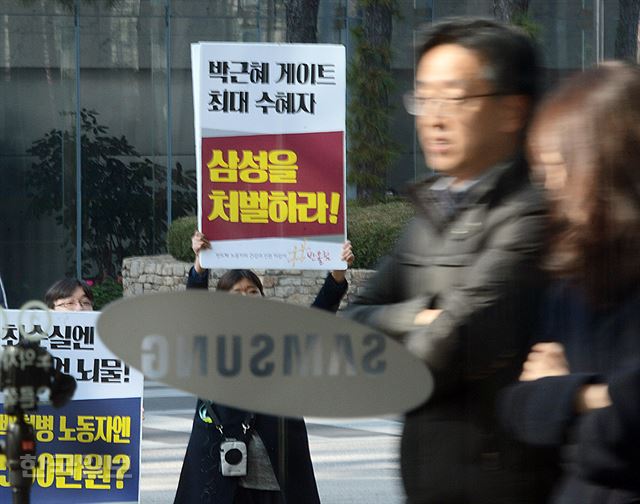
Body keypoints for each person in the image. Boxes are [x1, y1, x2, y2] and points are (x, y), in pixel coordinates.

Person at [344, 18, 556, 504]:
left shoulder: (530, 215)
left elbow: (443, 353)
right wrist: (418, 315)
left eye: (454, 98)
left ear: (511, 111)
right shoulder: (428, 216)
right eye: (424, 97)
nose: (432, 117)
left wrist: (396, 332)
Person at [499, 62, 640, 503]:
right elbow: (519, 408)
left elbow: (623, 438)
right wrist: (595, 395)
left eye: (560, 166)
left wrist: (566, 394)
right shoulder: (571, 284)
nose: (551, 185)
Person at [174, 230, 354, 504]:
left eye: (252, 292)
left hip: (275, 471)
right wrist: (200, 265)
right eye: (236, 294)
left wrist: (337, 274)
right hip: (222, 471)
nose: (246, 298)